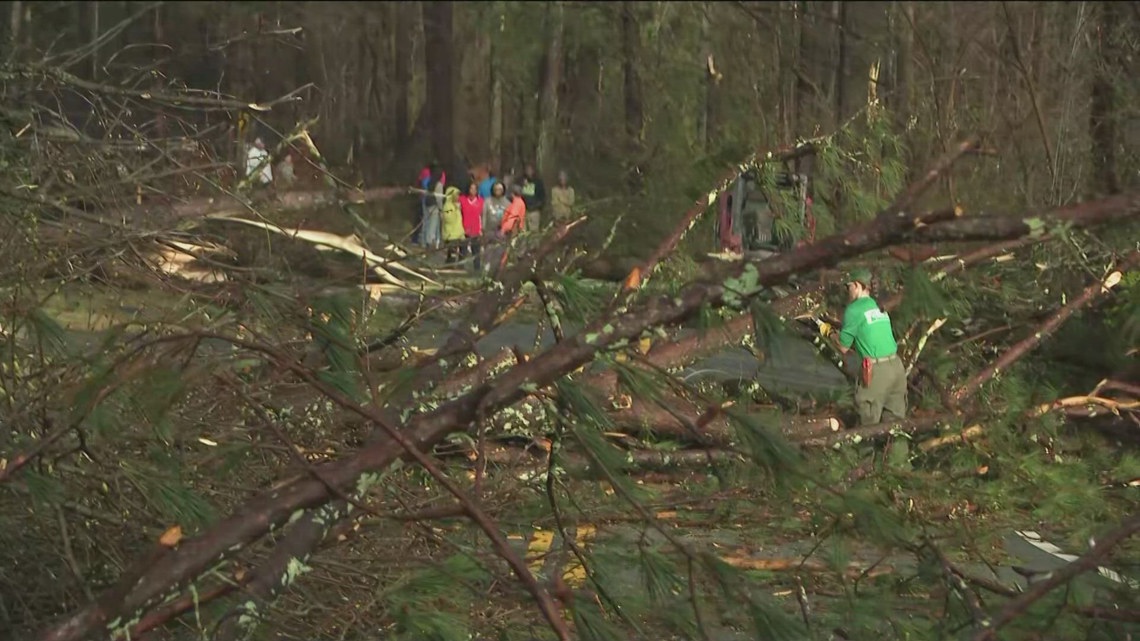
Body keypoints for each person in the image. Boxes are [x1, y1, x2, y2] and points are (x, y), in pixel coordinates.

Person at [831, 268, 907, 425]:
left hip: (877, 370)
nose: (848, 291)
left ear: (858, 286)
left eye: (849, 286)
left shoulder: (853, 309)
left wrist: (829, 333)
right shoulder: (876, 305)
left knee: (867, 420)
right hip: (897, 367)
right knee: (895, 423)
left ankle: (866, 448)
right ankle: (897, 449)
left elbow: (844, 347)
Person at [460, 181, 485, 272]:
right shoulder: (462, 200)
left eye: (475, 189)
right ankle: (461, 267)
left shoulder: (481, 201)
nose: (473, 190)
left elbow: (482, 215)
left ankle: (477, 268)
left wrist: (482, 229)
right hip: (464, 228)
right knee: (463, 250)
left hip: (476, 229)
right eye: (471, 188)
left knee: (476, 250)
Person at [441, 184, 465, 263]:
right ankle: (449, 264)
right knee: (451, 253)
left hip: (457, 233)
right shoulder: (448, 206)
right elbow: (449, 219)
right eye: (456, 195)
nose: (458, 197)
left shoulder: (456, 206)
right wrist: (455, 209)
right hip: (451, 234)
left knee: (458, 252)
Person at [519, 163, 545, 231]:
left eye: (530, 170)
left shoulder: (538, 182)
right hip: (524, 211)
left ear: (533, 171)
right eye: (527, 170)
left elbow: (542, 196)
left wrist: (538, 206)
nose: (528, 171)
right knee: (523, 232)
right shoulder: (522, 181)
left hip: (534, 211)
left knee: (534, 232)